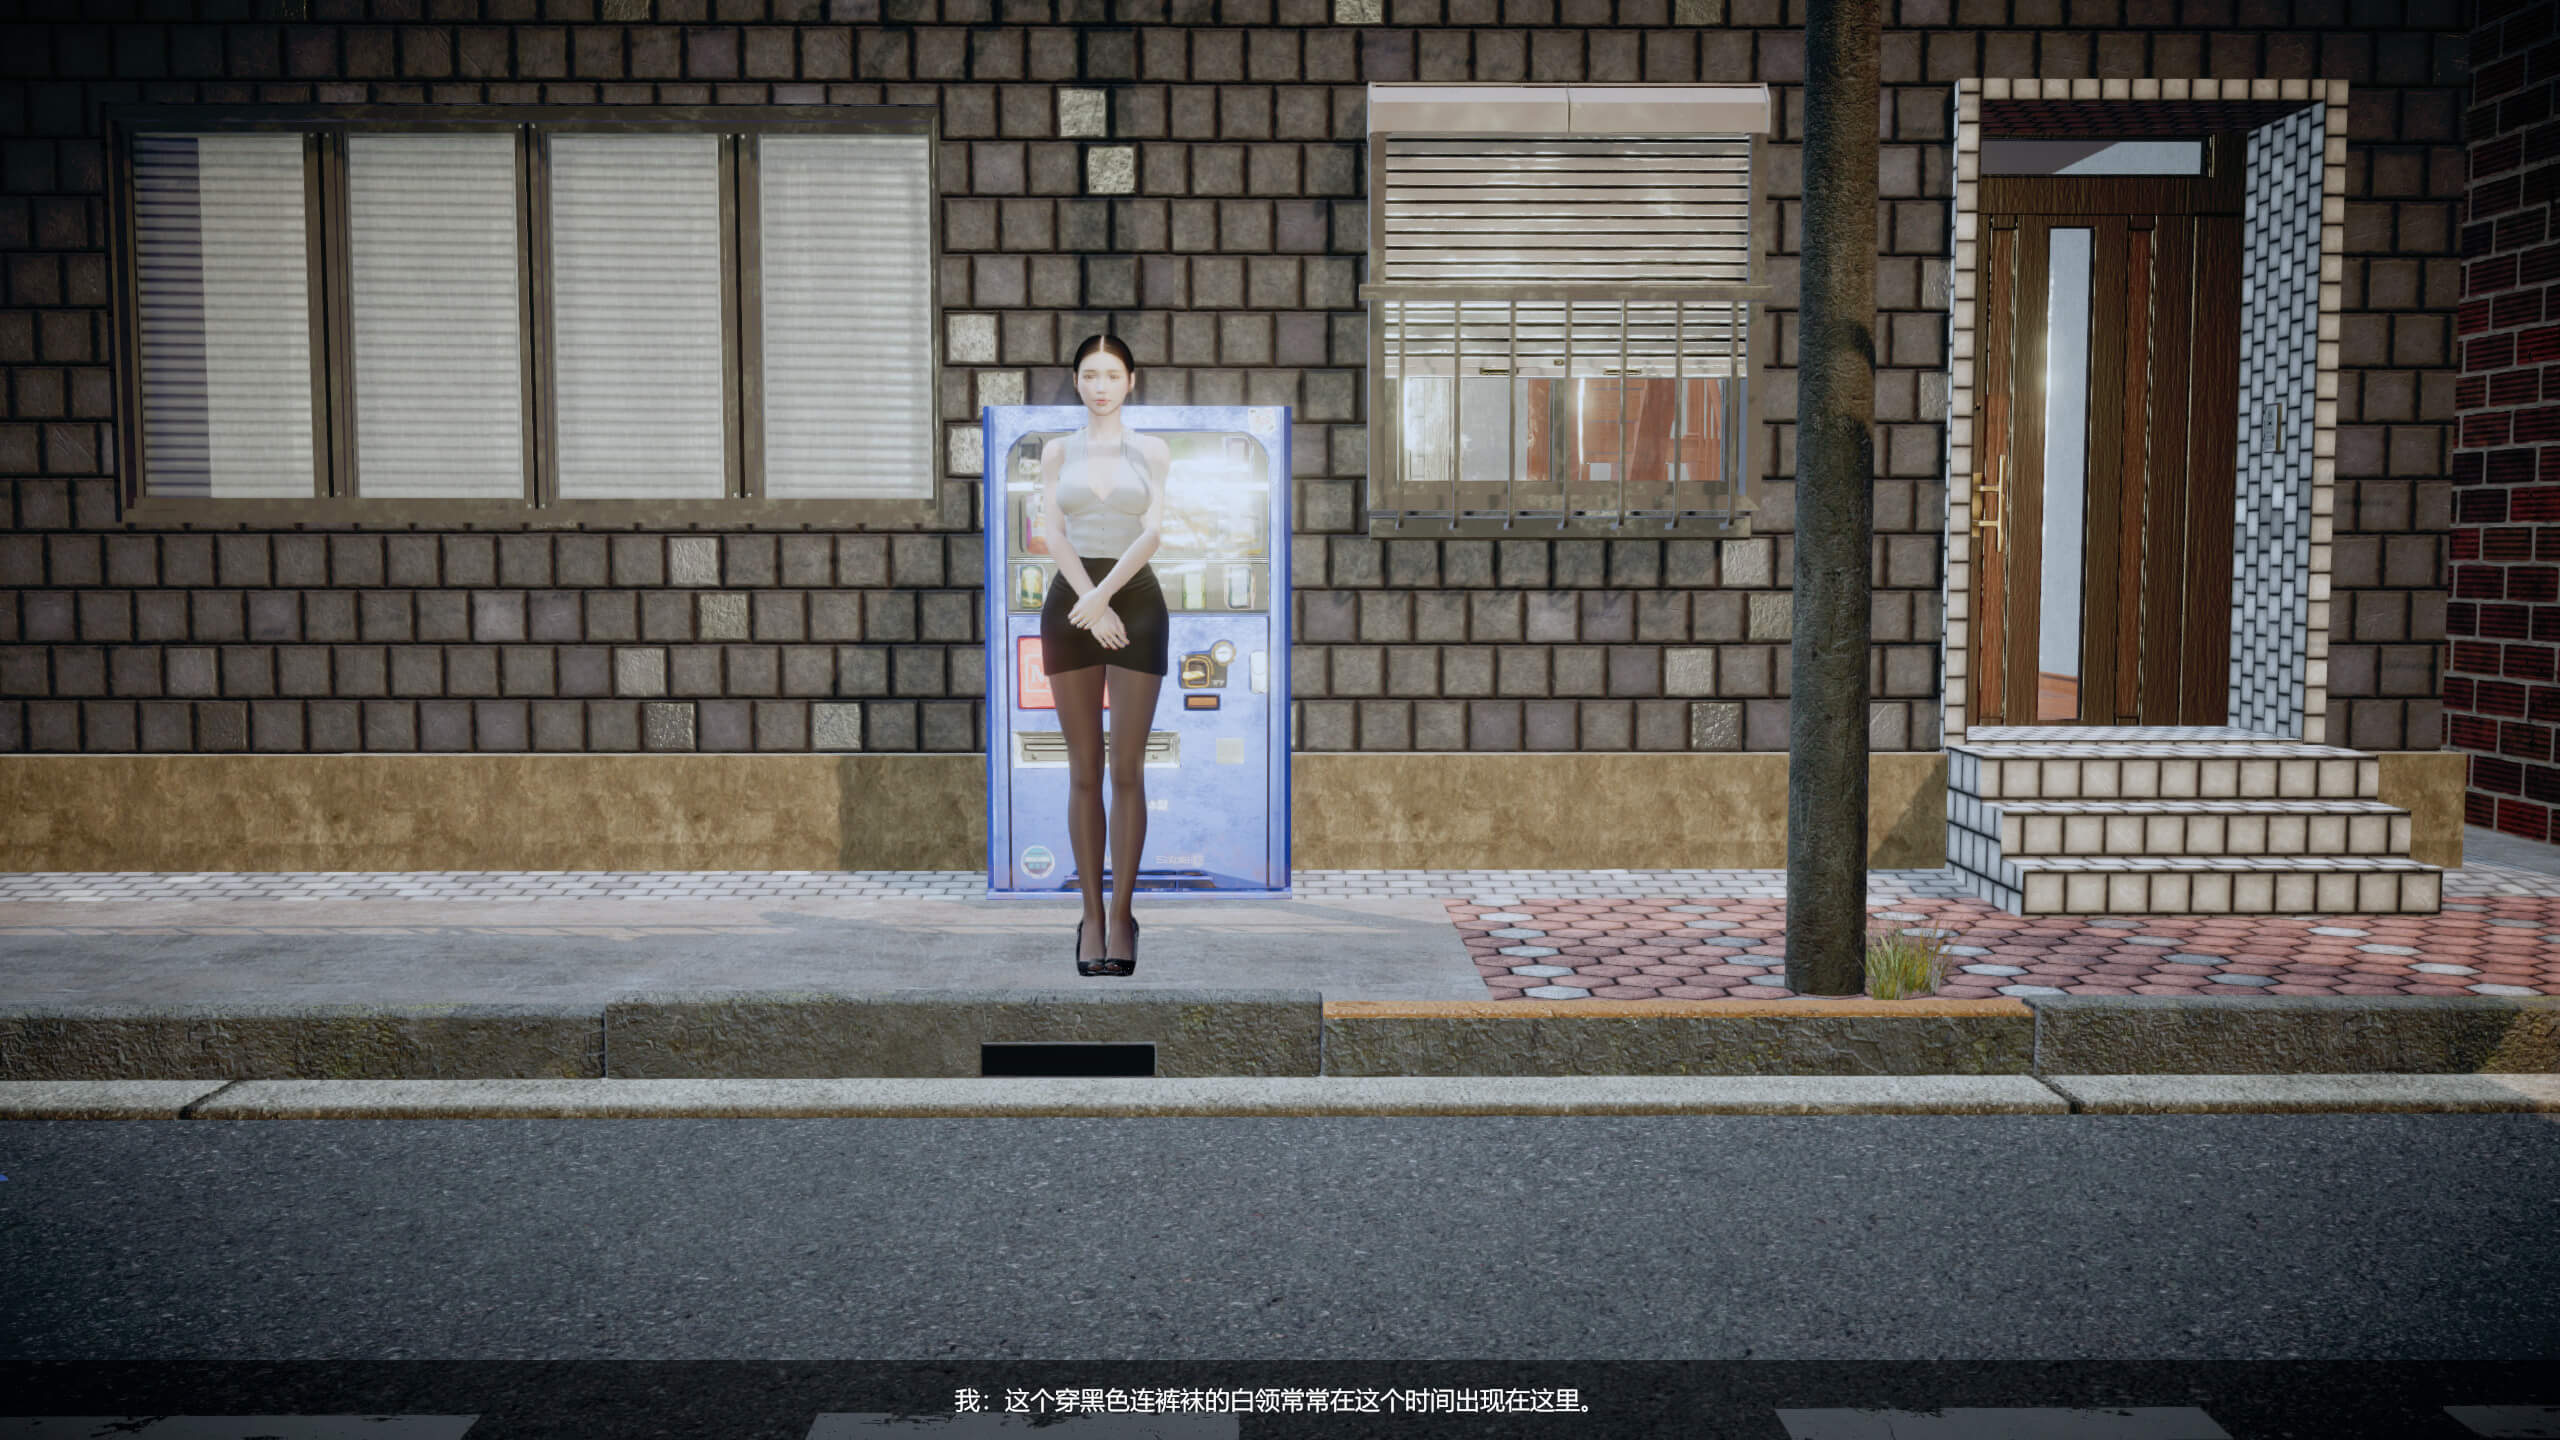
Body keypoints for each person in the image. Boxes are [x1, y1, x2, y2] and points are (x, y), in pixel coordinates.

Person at [1037, 334, 1173, 977]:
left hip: (1135, 602)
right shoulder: (1056, 451)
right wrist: (1088, 600)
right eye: (1089, 375)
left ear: (1130, 381)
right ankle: (1090, 916)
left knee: (1127, 771)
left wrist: (1105, 597)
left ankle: (1123, 916)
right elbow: (1052, 530)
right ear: (1075, 381)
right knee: (1084, 770)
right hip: (1070, 604)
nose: (1100, 386)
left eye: (1111, 375)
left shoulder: (1152, 450)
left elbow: (1153, 531)